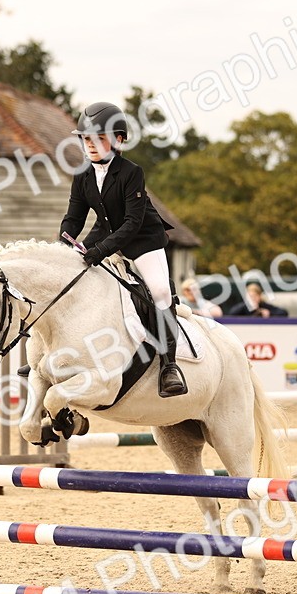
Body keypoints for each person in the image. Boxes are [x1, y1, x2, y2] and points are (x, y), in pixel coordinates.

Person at [58, 101, 187, 398]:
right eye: (86, 139)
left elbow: (132, 222)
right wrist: (64, 245)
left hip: (143, 239)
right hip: (104, 234)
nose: (90, 145)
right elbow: (74, 218)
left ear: (118, 140)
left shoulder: (131, 172)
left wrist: (99, 251)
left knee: (160, 292)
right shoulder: (83, 175)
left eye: (98, 138)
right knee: (68, 277)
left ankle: (169, 366)